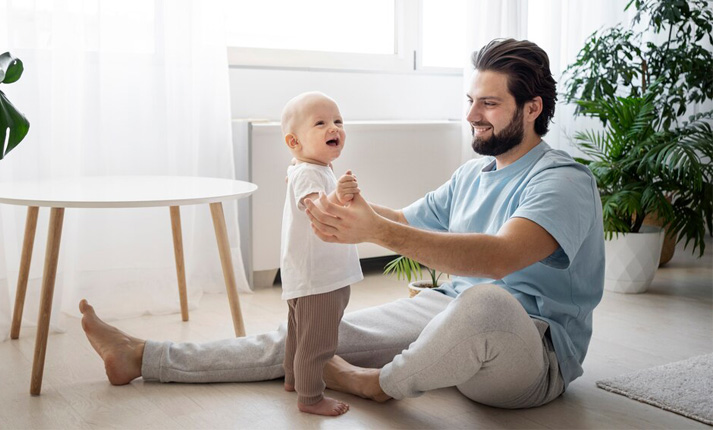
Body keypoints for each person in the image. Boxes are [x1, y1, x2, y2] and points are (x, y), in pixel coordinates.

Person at [79, 38, 604, 410]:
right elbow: (399, 220)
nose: (471, 115)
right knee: (316, 333)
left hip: (532, 353)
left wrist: (375, 230)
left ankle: (378, 384)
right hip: (446, 315)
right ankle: (143, 356)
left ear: (532, 108)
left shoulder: (563, 181)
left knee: (488, 300)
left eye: (489, 103)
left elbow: (499, 258)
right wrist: (349, 213)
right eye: (470, 101)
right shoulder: (474, 174)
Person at [278, 91, 363, 416]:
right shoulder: (311, 173)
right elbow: (316, 208)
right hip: (321, 278)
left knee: (298, 332)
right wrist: (339, 196)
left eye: (338, 121)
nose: (334, 128)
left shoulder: (308, 167)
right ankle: (310, 397)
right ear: (294, 142)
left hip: (306, 273)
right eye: (321, 123)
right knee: (319, 341)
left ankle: (291, 378)